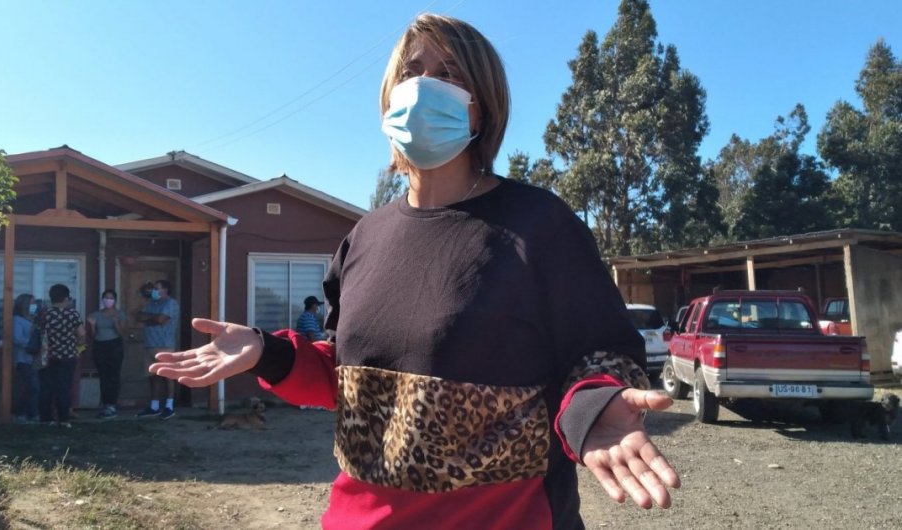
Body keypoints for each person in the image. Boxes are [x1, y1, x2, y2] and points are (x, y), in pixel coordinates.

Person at [151, 14, 679, 529]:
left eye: (449, 73)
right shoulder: (364, 237)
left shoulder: (539, 225)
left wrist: (594, 408)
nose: (424, 84)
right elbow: (344, 378)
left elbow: (599, 352)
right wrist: (265, 350)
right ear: (388, 98)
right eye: (411, 71)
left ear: (482, 108)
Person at [38, 284, 84, 428]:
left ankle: (46, 418)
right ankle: (63, 418)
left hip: (48, 355)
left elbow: (37, 332)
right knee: (64, 387)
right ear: (65, 298)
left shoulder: (44, 314)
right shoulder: (73, 314)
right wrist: (76, 344)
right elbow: (82, 334)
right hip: (68, 355)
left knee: (47, 387)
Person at [136, 279, 179, 419]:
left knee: (167, 375)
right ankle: (154, 406)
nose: (154, 291)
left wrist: (150, 319)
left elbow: (162, 319)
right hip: (149, 344)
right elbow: (139, 316)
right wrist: (153, 319)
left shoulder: (171, 303)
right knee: (153, 376)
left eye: (157, 288)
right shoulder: (151, 303)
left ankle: (169, 406)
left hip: (164, 344)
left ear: (165, 289)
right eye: (153, 288)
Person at [87, 289, 127, 419]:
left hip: (114, 345)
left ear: (115, 300)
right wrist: (92, 326)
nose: (108, 300)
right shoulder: (96, 315)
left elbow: (123, 334)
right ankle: (105, 404)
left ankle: (112, 405)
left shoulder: (120, 314)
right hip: (99, 346)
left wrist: (116, 323)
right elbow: (92, 336)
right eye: (105, 297)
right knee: (103, 375)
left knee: (113, 375)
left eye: (110, 298)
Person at [12, 293, 40, 423]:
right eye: (32, 303)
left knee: (34, 387)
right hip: (23, 359)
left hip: (33, 359)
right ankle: (22, 412)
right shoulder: (17, 320)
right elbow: (17, 338)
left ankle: (30, 413)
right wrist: (31, 343)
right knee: (32, 386)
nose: (34, 306)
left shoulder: (33, 320)